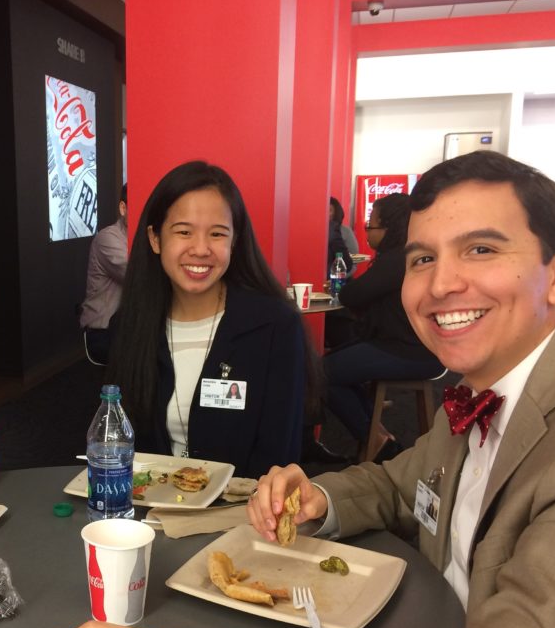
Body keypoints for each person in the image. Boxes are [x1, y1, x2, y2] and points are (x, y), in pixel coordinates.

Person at [45, 151, 555, 628]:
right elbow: (398, 486)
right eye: (422, 258)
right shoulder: (483, 393)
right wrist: (318, 497)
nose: (443, 282)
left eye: (480, 250)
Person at [106, 161, 314, 478]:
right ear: (155, 238)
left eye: (217, 234)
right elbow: (119, 440)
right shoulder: (130, 326)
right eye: (184, 232)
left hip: (244, 513)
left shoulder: (275, 327)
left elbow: (280, 455)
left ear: (234, 241)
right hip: (151, 511)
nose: (201, 249)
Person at [324, 192, 443, 461]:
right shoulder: (408, 254)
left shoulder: (397, 259)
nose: (366, 230)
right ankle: (377, 435)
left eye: (371, 224)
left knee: (323, 373)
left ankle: (375, 440)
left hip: (410, 351)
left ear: (389, 225)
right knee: (333, 364)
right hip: (411, 346)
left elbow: (352, 294)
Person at [80, 183, 128, 365]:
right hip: (104, 333)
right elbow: (138, 274)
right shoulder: (108, 238)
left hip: (126, 329)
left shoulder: (139, 238)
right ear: (123, 208)